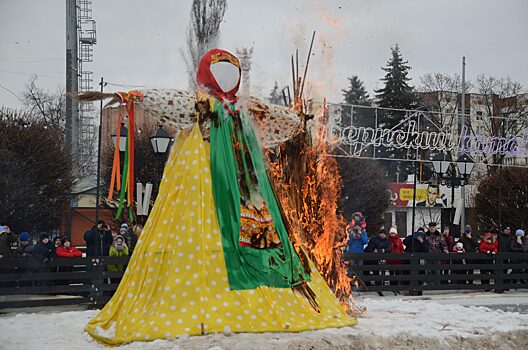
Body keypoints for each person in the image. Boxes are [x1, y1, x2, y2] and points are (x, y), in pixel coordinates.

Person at [365, 228, 392, 296]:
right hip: (369, 258)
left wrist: (384, 250)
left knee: (376, 273)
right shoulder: (374, 239)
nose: (383, 235)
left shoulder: (387, 240)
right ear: (379, 234)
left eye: (384, 234)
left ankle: (378, 287)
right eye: (381, 233)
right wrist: (373, 250)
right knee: (366, 271)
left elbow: (389, 248)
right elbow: (369, 247)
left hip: (378, 259)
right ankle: (368, 286)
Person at [387, 226, 404, 292]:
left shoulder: (399, 240)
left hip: (397, 259)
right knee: (391, 273)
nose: (393, 234)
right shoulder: (387, 240)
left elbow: (402, 249)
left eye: (394, 233)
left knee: (397, 273)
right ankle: (392, 287)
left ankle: (397, 287)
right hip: (390, 260)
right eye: (391, 233)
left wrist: (402, 255)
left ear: (396, 233)